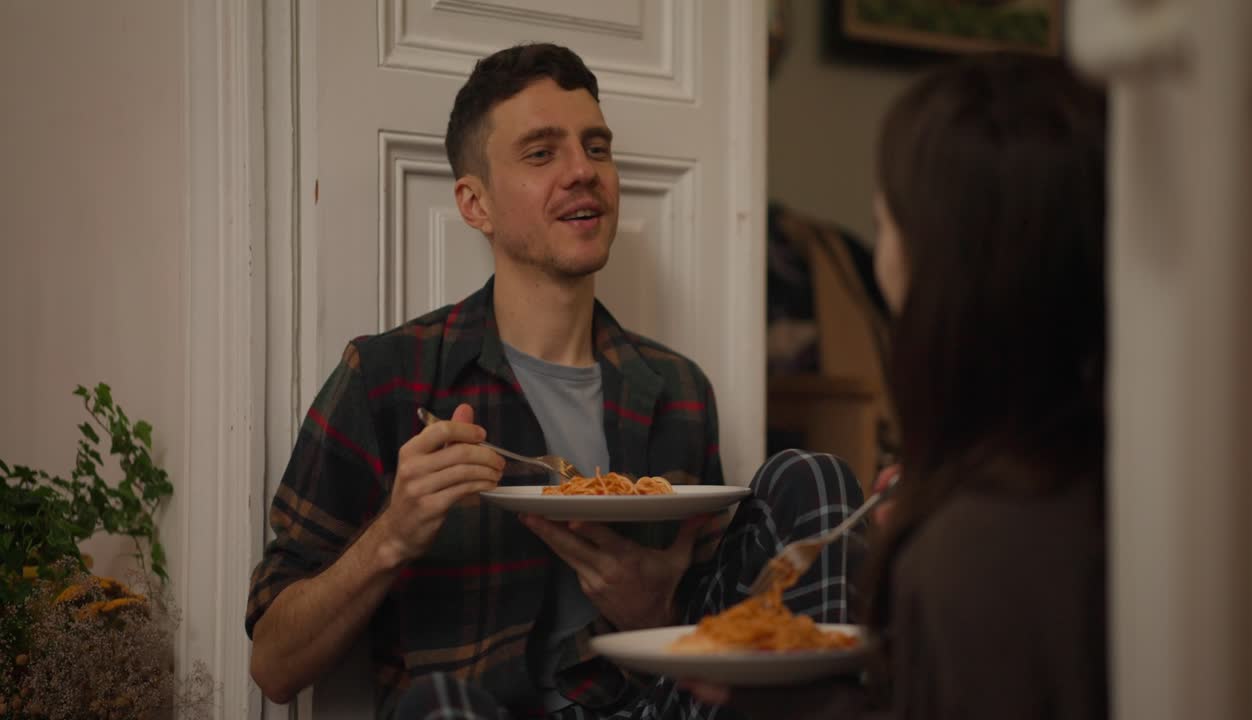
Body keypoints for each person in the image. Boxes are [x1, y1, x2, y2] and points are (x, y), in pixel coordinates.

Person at [245, 43, 864, 720]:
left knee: (816, 478)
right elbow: (275, 665)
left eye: (596, 147)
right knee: (438, 706)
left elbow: (710, 637)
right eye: (542, 153)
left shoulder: (678, 389)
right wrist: (391, 536)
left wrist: (652, 606)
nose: (582, 171)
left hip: (657, 707)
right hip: (475, 711)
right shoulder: (388, 380)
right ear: (474, 203)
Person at [686, 54, 1109, 719]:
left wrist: (784, 706)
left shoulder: (973, 554)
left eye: (885, 223)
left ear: (940, 265)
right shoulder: (1106, 478)